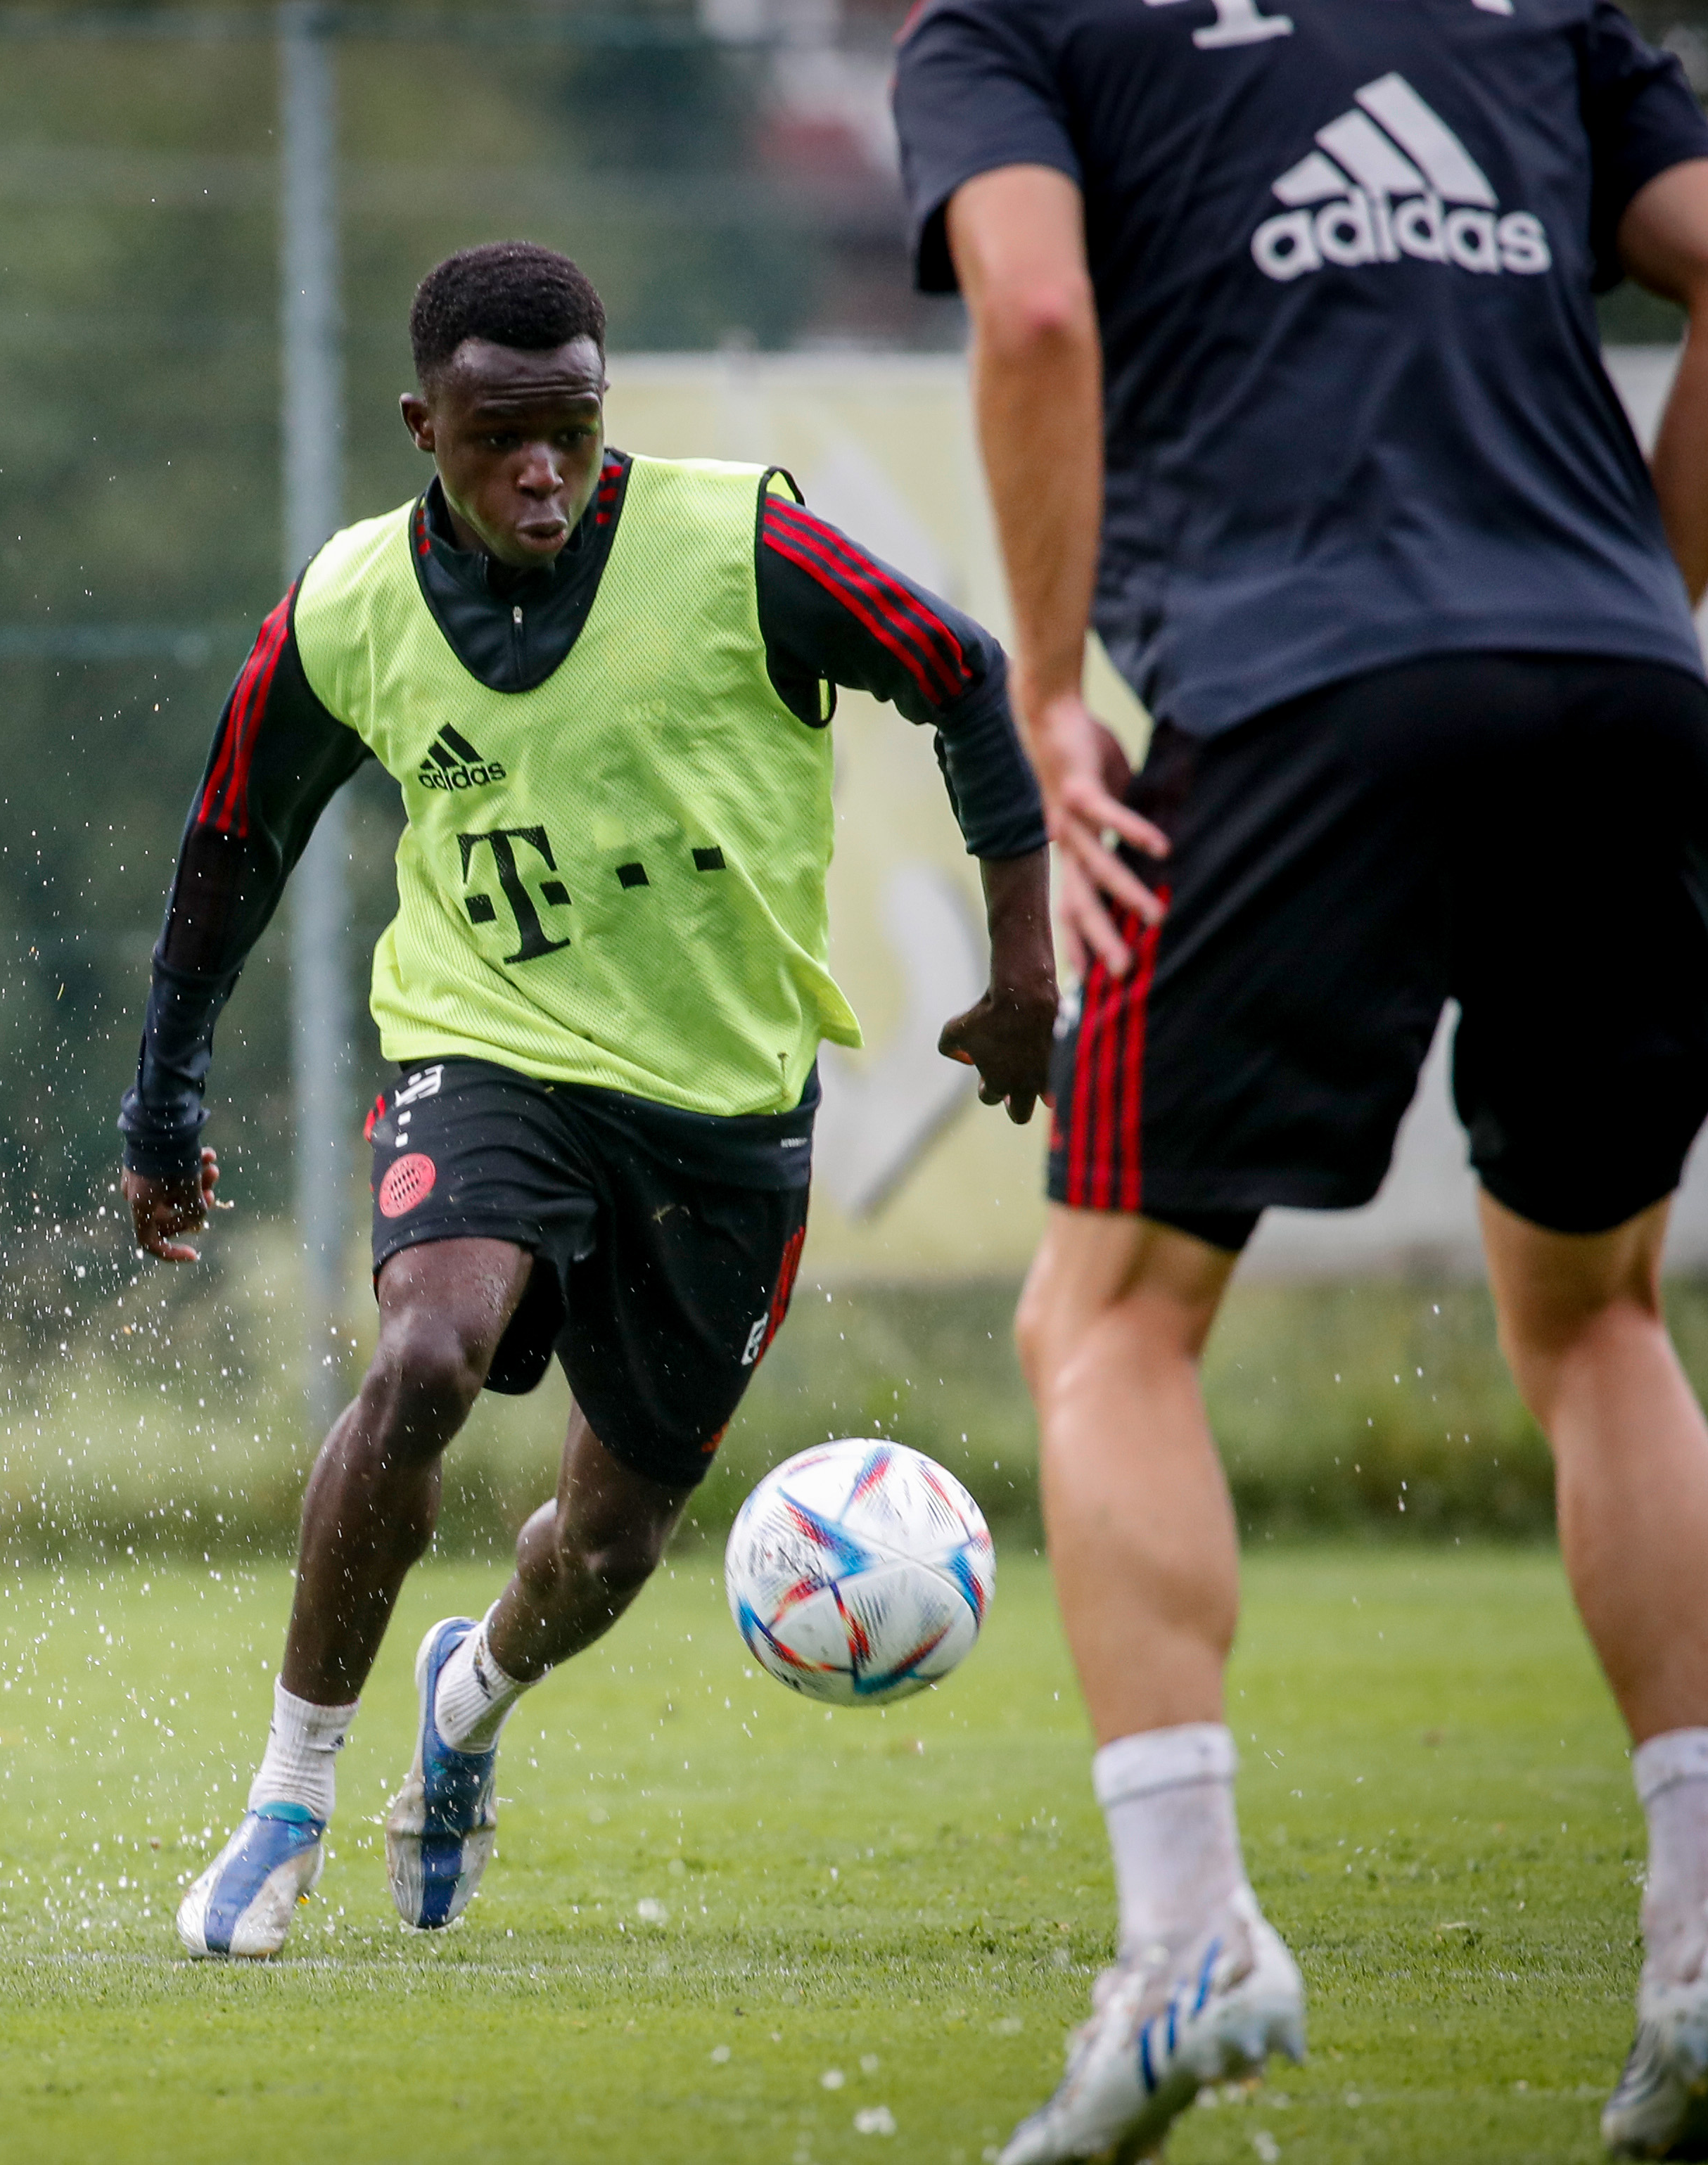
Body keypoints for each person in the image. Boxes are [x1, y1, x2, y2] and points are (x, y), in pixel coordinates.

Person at [892, 1, 1708, 2157]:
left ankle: (1192, 1934)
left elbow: (1034, 307)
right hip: (1609, 697)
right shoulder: (1533, 15)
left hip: (1297, 685)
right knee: (1597, 1315)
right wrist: (1609, 610)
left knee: (1112, 1313)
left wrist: (1044, 689)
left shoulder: (1021, 28)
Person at [124, 241, 1058, 1964]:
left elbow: (962, 673)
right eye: (499, 438)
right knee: (421, 1362)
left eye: (572, 426)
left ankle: (468, 1703)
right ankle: (284, 1804)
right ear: (425, 427)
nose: (542, 468)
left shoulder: (739, 546)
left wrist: (1024, 976)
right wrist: (163, 1098)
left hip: (722, 1116)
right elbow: (230, 841)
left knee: (607, 1550)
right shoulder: (348, 604)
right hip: (485, 1053)